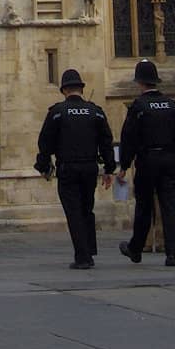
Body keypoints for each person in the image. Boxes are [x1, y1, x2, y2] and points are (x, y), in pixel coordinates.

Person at [35, 67, 115, 270]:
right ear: (81, 88)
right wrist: (109, 168)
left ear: (64, 90)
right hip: (90, 167)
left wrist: (44, 165)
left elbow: (45, 142)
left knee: (74, 212)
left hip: (68, 168)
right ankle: (89, 250)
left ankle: (83, 256)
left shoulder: (57, 112)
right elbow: (106, 141)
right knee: (87, 209)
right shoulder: (95, 112)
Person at [117, 58, 175, 268]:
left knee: (144, 207)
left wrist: (124, 165)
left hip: (147, 160)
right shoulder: (170, 105)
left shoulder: (139, 106)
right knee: (170, 206)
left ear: (140, 82)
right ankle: (172, 253)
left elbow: (129, 137)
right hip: (168, 159)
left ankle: (136, 249)